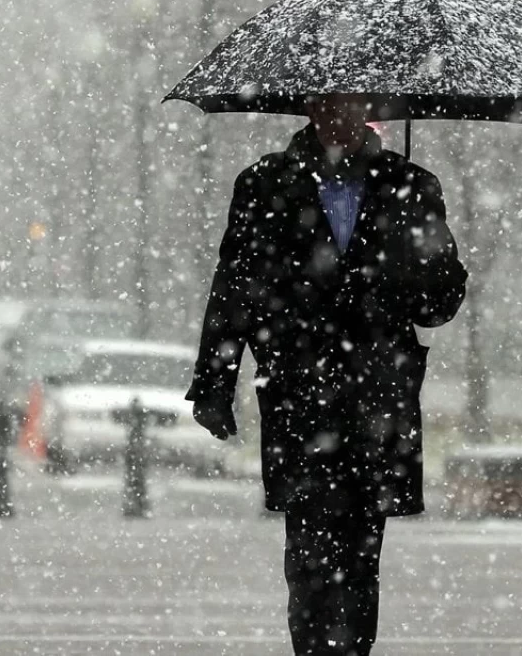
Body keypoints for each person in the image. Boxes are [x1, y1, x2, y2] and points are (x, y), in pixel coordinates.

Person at [188, 95, 468, 655]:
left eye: (352, 101)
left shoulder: (412, 187)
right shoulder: (264, 184)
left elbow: (437, 306)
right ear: (309, 107)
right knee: (309, 556)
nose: (339, 112)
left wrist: (423, 259)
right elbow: (234, 289)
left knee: (362, 558)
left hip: (377, 402)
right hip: (298, 394)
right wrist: (215, 381)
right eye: (329, 101)